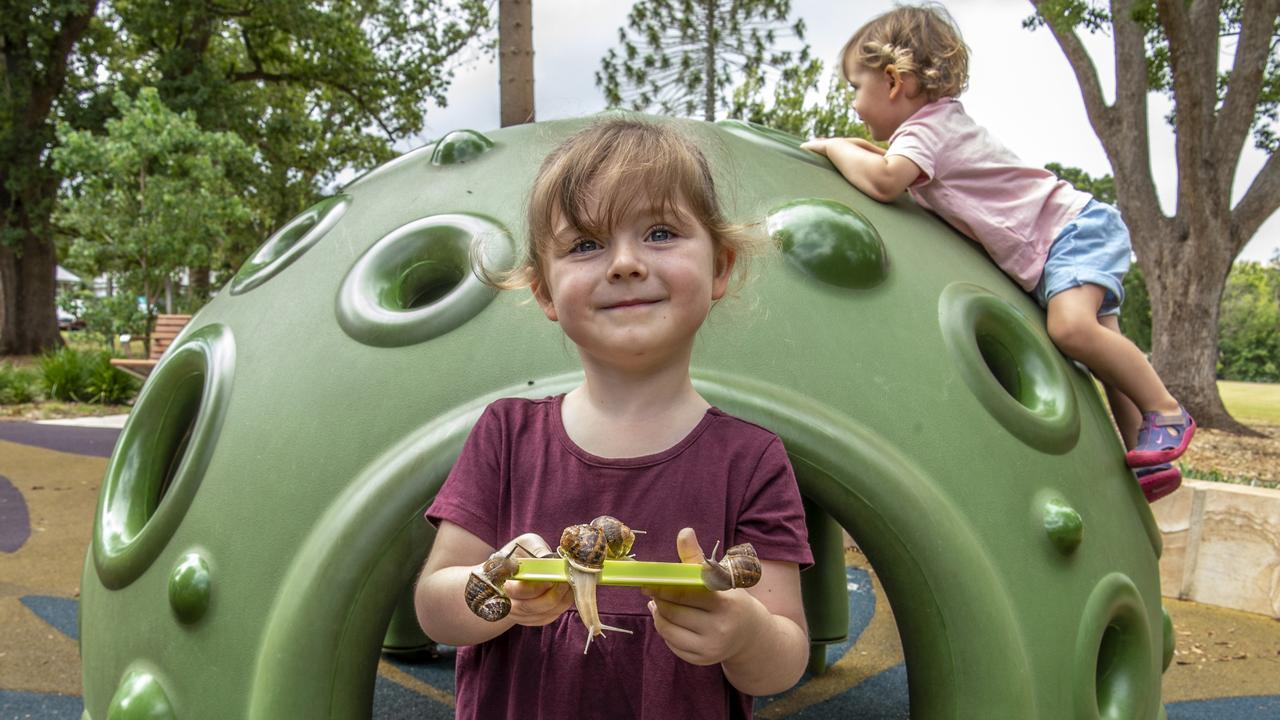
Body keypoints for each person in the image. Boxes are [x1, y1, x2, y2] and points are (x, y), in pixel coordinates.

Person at [414, 117, 813, 719]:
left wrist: (745, 633)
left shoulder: (751, 460)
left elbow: (785, 654)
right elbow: (433, 604)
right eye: (585, 244)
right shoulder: (506, 435)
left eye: (659, 232)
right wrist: (498, 589)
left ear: (721, 267)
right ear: (545, 292)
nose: (625, 263)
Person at [801, 4, 1194, 501]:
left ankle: (1168, 411)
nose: (854, 105)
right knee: (1103, 353)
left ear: (894, 80)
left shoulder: (927, 131)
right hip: (1063, 241)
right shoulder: (934, 129)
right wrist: (860, 145)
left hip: (1072, 231)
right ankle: (1147, 458)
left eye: (855, 88)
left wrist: (835, 148)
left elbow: (885, 181)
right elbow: (896, 165)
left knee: (1072, 330)